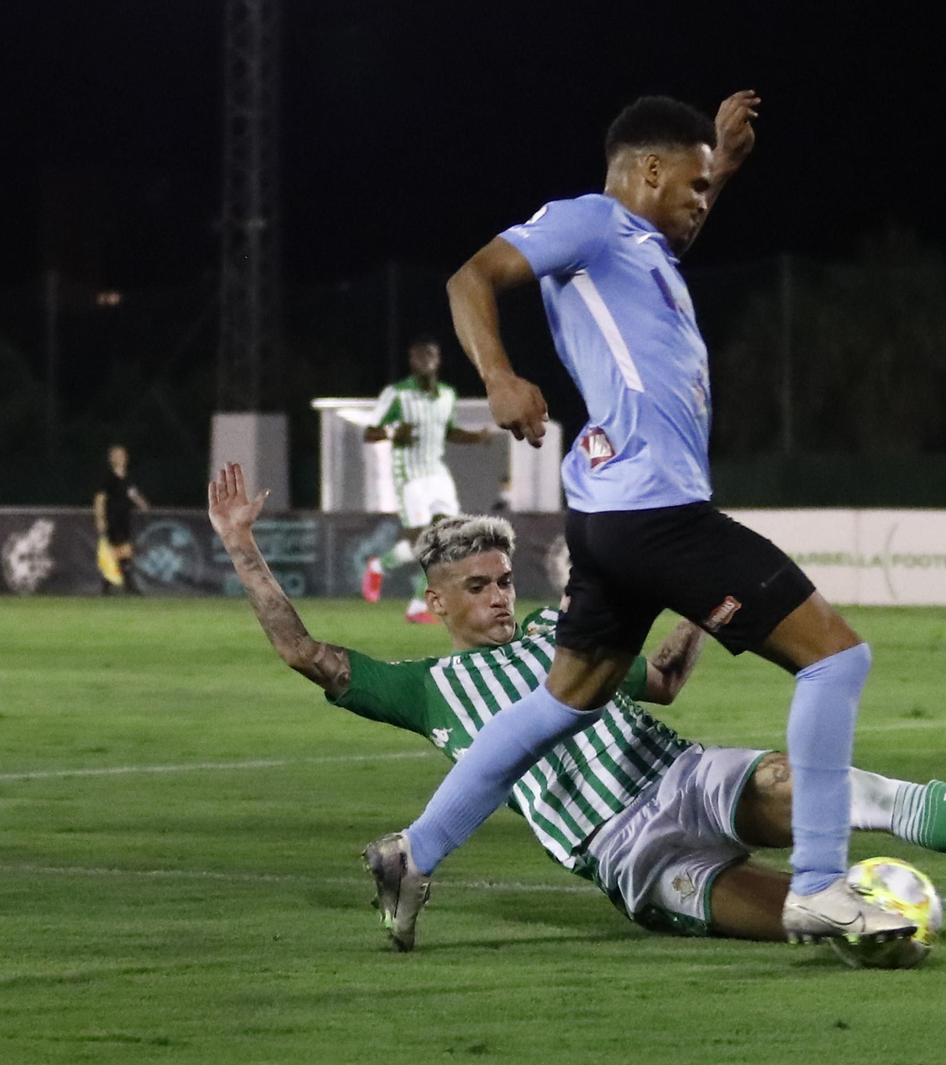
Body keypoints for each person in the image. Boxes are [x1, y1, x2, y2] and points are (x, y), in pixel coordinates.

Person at [367, 91, 917, 949]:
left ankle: (413, 851)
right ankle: (816, 886)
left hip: (620, 519)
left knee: (568, 697)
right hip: (652, 511)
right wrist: (500, 377)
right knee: (836, 658)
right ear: (648, 170)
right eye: (692, 184)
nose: (704, 202)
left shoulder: (642, 247)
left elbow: (677, 225)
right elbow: (468, 276)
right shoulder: (588, 221)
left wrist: (722, 163)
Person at [207, 464, 946, 949]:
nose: (500, 593)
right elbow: (304, 652)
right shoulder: (423, 687)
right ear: (440, 601)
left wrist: (693, 608)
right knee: (806, 919)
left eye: (504, 577)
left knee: (836, 785)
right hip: (628, 854)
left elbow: (655, 681)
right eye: (479, 584)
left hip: (686, 776)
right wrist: (243, 547)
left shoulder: (563, 641)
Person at [359, 335, 492, 623]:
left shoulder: (447, 394)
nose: (426, 361)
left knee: (450, 538)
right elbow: (369, 432)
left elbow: (447, 431)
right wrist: (394, 432)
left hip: (437, 473)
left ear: (438, 360)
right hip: (410, 476)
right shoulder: (397, 394)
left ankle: (416, 603)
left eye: (431, 355)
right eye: (420, 356)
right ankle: (384, 570)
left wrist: (476, 438)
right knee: (423, 543)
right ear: (412, 361)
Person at [94, 444, 148, 595]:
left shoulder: (128, 478)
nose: (120, 458)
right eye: (116, 455)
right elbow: (100, 499)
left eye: (122, 455)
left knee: (125, 551)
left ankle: (116, 585)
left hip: (125, 518)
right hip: (112, 518)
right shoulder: (108, 478)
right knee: (118, 551)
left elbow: (133, 494)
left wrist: (142, 503)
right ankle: (123, 585)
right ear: (111, 459)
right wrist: (100, 518)